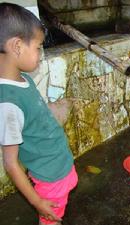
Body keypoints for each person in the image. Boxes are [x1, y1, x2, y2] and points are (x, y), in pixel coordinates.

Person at [0, 3, 78, 225]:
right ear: (16, 46)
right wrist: (37, 201)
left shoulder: (23, 79)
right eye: (38, 47)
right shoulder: (8, 104)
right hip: (49, 178)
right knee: (51, 219)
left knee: (59, 206)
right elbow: (11, 164)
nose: (40, 54)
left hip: (57, 168)